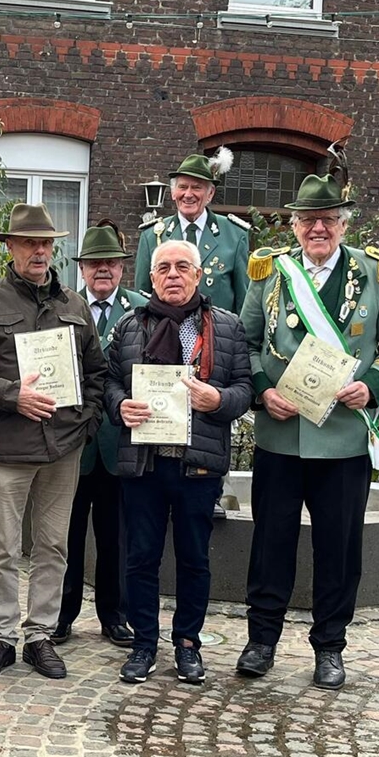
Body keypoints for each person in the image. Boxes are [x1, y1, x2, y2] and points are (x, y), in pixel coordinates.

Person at [236, 158, 379, 690]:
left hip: (343, 440)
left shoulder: (376, 274)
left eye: (328, 218)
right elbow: (242, 344)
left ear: (343, 222)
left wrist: (373, 385)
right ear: (292, 225)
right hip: (281, 435)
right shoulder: (272, 273)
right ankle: (261, 639)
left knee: (339, 549)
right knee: (270, 543)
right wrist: (264, 392)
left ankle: (330, 647)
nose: (318, 227)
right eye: (308, 219)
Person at [0, 203, 106, 680]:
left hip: (63, 448)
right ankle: (0, 636)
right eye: (29, 243)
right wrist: (13, 396)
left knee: (53, 546)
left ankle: (40, 636)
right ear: (10, 247)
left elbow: (96, 372)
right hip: (8, 448)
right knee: (2, 548)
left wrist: (86, 424)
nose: (39, 251)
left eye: (46, 243)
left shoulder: (73, 306)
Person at [105, 240, 252, 683]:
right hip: (144, 463)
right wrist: (120, 406)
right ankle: (144, 644)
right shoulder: (130, 326)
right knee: (140, 558)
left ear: (198, 274)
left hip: (198, 465)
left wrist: (219, 398)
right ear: (151, 278)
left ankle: (188, 643)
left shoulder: (225, 327)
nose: (172, 275)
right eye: (163, 267)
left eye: (182, 267)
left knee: (194, 560)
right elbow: (110, 382)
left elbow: (245, 388)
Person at [50, 220, 145, 649]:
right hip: (71, 440)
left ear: (122, 269)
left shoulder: (142, 310)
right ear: (81, 269)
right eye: (94, 264)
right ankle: (60, 614)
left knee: (116, 536)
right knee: (63, 535)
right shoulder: (61, 307)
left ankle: (115, 614)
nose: (102, 270)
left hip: (121, 441)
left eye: (110, 263)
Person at [133, 149, 250, 316]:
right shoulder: (152, 236)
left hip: (216, 337)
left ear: (210, 193)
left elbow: (244, 303)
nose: (188, 194)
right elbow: (142, 298)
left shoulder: (235, 235)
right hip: (165, 336)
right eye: (182, 187)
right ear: (173, 193)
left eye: (196, 187)